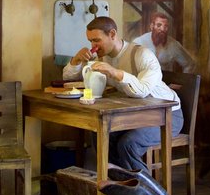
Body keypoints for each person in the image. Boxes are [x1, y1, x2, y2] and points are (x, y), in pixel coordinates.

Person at [63, 16, 183, 173]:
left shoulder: (142, 54)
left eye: (96, 40)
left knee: (128, 144)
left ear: (112, 34)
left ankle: (149, 194)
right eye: (90, 41)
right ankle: (120, 183)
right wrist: (76, 60)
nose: (93, 46)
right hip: (137, 114)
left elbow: (142, 90)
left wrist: (114, 72)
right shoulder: (102, 56)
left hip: (167, 115)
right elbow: (68, 78)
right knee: (101, 134)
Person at [132, 13, 196, 73]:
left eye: (165, 26)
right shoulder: (139, 42)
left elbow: (190, 64)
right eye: (159, 25)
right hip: (143, 82)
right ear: (152, 26)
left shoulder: (173, 45)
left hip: (165, 82)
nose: (162, 29)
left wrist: (181, 82)